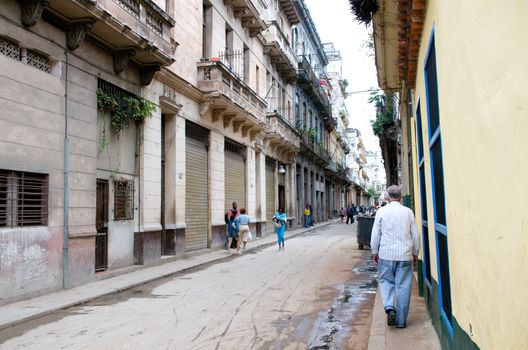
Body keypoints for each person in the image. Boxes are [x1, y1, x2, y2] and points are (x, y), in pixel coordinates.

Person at [370, 185, 419, 329]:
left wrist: (375, 251)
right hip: (404, 255)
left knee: (386, 281)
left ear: (387, 197)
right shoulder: (408, 212)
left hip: (386, 254)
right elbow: (415, 235)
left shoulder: (381, 211)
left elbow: (375, 234)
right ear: (401, 197)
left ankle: (390, 307)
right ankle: (401, 322)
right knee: (403, 286)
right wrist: (415, 252)